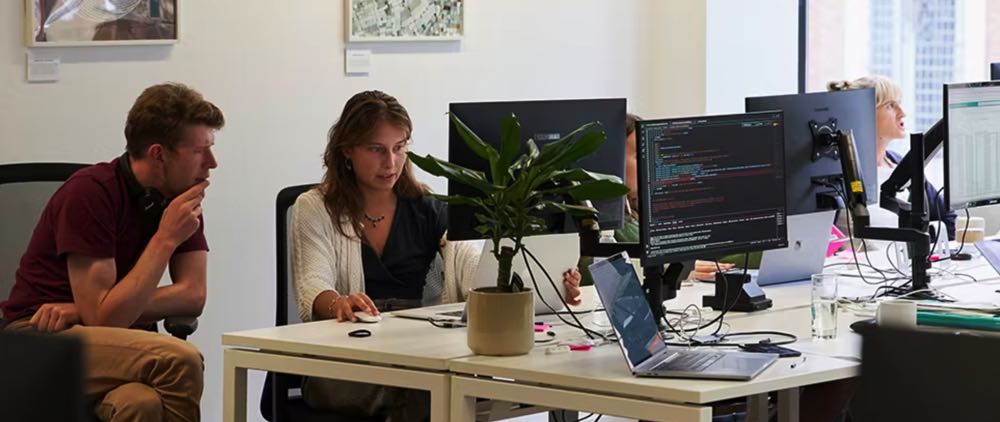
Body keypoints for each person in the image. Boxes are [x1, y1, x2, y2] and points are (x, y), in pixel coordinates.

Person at [291, 90, 582, 421]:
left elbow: (474, 269)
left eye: (399, 148)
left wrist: (544, 284)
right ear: (347, 151)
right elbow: (311, 282)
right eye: (376, 149)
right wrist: (338, 303)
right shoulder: (315, 208)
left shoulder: (427, 207)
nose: (391, 162)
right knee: (426, 388)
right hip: (342, 363)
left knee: (440, 383)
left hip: (418, 349)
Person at [0, 82, 223, 422]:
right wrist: (164, 239)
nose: (212, 163)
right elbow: (107, 319)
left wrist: (84, 310)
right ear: (158, 154)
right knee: (180, 359)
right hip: (40, 339)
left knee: (140, 404)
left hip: (112, 340)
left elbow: (193, 296)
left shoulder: (179, 200)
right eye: (199, 151)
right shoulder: (90, 193)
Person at [828, 76, 957, 241]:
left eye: (899, 103)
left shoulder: (899, 165)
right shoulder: (838, 172)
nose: (902, 113)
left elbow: (947, 218)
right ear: (864, 114)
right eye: (890, 106)